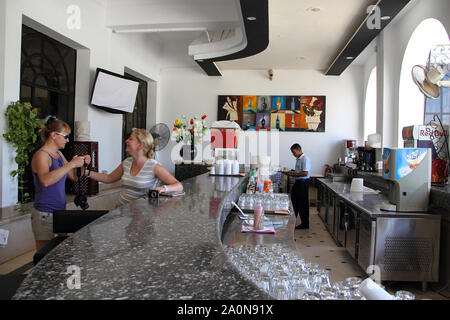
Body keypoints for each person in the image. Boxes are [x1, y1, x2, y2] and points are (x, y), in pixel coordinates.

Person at [31, 116, 91, 250]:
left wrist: (82, 164)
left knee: (63, 250)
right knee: (44, 255)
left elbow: (74, 176)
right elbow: (45, 181)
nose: (68, 140)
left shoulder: (59, 154)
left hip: (60, 210)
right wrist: (71, 164)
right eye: (65, 136)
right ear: (53, 135)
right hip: (44, 212)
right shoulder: (42, 155)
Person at [88, 128, 182, 208]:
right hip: (121, 211)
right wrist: (87, 173)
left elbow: (178, 186)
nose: (126, 141)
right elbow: (108, 178)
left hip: (142, 216)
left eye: (130, 139)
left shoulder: (154, 166)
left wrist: (163, 188)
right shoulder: (126, 163)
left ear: (140, 145)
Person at [282, 143, 311, 229]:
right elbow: (299, 171)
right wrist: (291, 172)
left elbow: (305, 173)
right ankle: (292, 221)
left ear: (299, 150)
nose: (293, 154)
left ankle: (305, 224)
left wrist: (292, 175)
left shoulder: (305, 159)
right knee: (294, 201)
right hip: (298, 182)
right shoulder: (298, 159)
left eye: (294, 152)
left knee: (302, 203)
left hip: (303, 182)